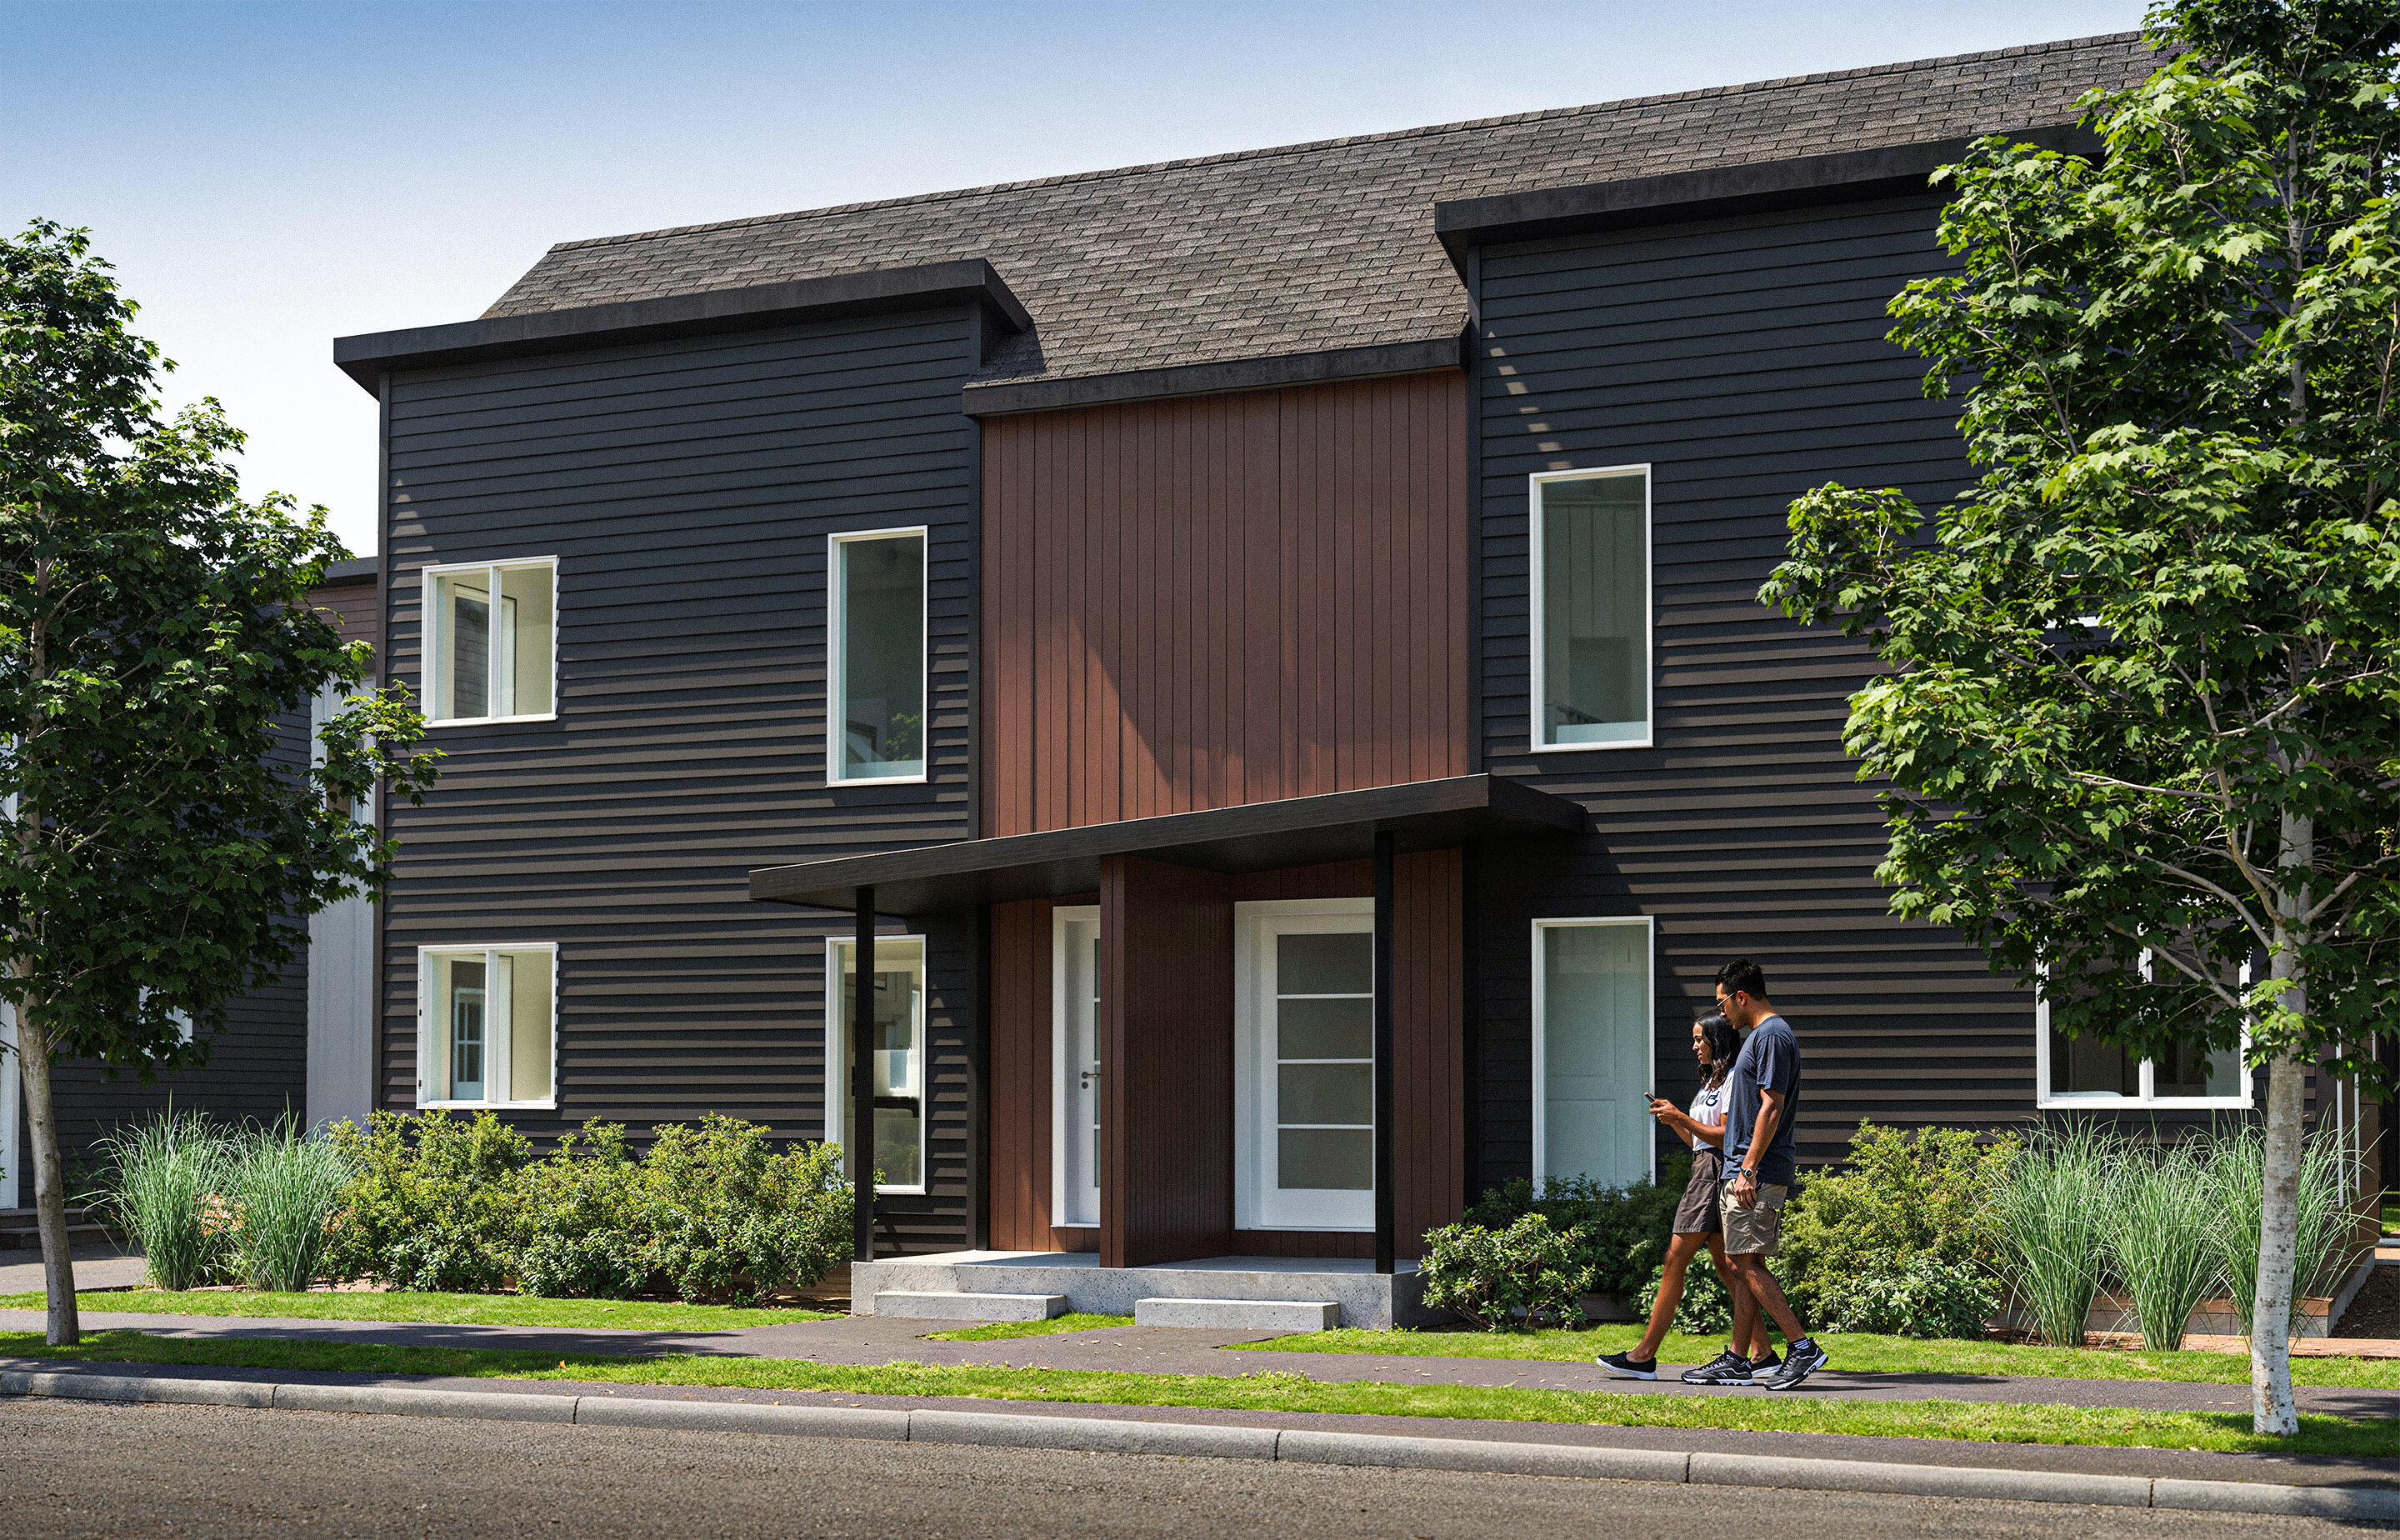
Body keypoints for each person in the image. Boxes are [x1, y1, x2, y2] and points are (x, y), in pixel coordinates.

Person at [1597, 1009, 1776, 1379]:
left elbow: (1728, 1137)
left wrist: (1681, 1117)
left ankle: (1644, 1355)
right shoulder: (1710, 1083)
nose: (1694, 1046)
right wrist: (1675, 1120)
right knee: (1730, 1269)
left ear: (1717, 1041)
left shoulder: (1732, 1083)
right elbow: (1697, 1141)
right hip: (1703, 1169)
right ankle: (1763, 1353)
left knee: (1675, 1259)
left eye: (1700, 1039)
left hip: (1715, 1174)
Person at [1680, 958, 1829, 1391]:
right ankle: (1738, 1358)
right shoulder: (1762, 1037)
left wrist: (1747, 1169)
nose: (1722, 1011)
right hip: (1745, 1168)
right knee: (1744, 1261)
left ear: (1741, 996)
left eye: (1723, 1001)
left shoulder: (1772, 1037)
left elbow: (1771, 1106)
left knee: (1742, 1260)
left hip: (1755, 1171)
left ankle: (1802, 1347)